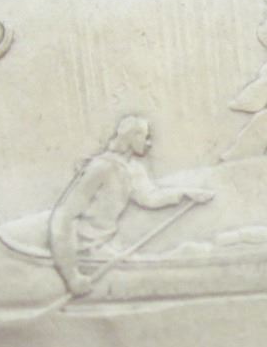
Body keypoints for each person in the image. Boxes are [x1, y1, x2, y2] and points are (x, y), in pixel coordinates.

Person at [48, 116, 211, 296]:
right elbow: (64, 217)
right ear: (131, 137)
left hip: (106, 245)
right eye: (145, 137)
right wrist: (72, 276)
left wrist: (185, 193)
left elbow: (150, 197)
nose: (149, 143)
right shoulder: (101, 168)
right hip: (84, 249)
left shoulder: (132, 168)